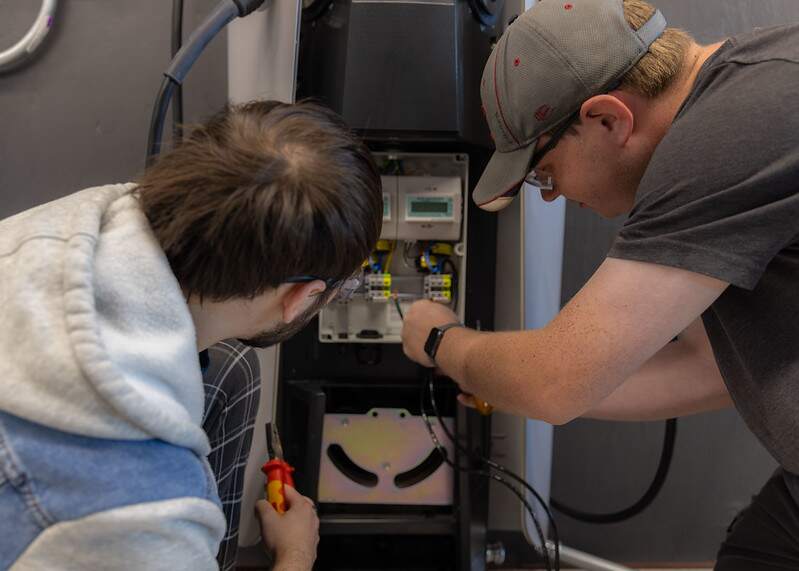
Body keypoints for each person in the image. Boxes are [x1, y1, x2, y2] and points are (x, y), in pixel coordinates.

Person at [400, 0, 799, 568]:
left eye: (543, 172)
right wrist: (518, 385)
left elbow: (554, 381)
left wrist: (443, 342)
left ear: (608, 118)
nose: (553, 193)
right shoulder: (754, 86)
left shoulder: (727, 134)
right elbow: (708, 370)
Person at [0, 100, 382, 570]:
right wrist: (296, 553)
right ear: (303, 297)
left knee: (233, 369)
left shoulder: (74, 220)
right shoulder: (146, 509)